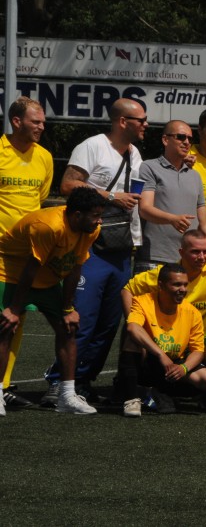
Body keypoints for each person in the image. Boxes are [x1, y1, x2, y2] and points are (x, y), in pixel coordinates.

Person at [44, 98, 146, 402]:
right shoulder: (93, 146)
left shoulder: (135, 152)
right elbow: (67, 185)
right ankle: (59, 383)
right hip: (91, 247)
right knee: (83, 319)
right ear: (122, 122)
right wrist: (112, 196)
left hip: (121, 246)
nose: (145, 124)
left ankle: (84, 381)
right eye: (140, 119)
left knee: (108, 324)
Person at [0, 187, 106, 416]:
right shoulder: (49, 226)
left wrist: (68, 308)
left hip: (46, 277)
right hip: (10, 272)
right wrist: (15, 309)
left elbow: (74, 267)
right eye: (95, 215)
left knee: (68, 328)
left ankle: (66, 396)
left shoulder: (90, 229)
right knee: (6, 327)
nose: (99, 221)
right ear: (77, 214)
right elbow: (30, 268)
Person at [122, 230, 206, 405]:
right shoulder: (164, 274)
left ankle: (191, 392)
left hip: (197, 342)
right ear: (181, 252)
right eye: (195, 252)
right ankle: (130, 391)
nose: (201, 257)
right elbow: (127, 289)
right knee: (133, 338)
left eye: (205, 251)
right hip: (160, 342)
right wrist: (133, 321)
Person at [0, 96, 53, 409]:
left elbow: (41, 197)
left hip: (27, 254)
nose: (42, 127)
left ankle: (2, 384)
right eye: (36, 122)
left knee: (13, 320)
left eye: (43, 122)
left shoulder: (44, 157)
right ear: (16, 121)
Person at [117, 263, 206, 417]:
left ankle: (159, 393)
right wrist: (160, 355)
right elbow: (132, 328)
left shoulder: (192, 312)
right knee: (132, 339)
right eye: (176, 284)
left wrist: (184, 368)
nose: (182, 289)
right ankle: (131, 398)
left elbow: (198, 351)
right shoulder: (143, 301)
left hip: (172, 366)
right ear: (161, 285)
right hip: (150, 361)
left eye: (184, 284)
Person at [134, 120, 206, 273]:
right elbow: (144, 209)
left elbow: (204, 222)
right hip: (155, 258)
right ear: (165, 140)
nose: (187, 142)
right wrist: (173, 219)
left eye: (190, 138)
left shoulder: (195, 176)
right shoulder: (149, 167)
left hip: (189, 262)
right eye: (181, 137)